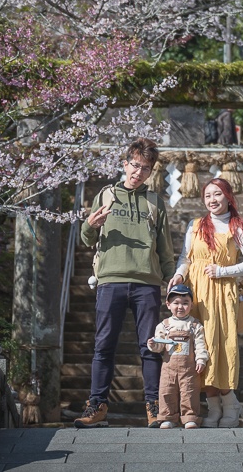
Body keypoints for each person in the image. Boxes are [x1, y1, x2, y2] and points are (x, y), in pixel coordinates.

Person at [74, 138, 176, 428]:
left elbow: (165, 249)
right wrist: (90, 226)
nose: (138, 172)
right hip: (111, 281)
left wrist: (172, 280)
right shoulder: (106, 195)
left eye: (145, 168)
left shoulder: (155, 202)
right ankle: (97, 405)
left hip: (146, 284)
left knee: (150, 346)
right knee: (103, 345)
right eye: (134, 165)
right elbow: (86, 239)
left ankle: (154, 407)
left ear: (151, 171)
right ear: (124, 164)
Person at [167, 177, 243, 427]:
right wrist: (179, 275)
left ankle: (230, 404)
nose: (212, 200)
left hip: (222, 292)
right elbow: (185, 258)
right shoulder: (195, 224)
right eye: (208, 195)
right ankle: (213, 406)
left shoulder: (236, 226)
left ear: (228, 196)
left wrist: (223, 271)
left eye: (217, 194)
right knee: (201, 346)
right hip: (196, 292)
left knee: (222, 345)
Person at [146, 283, 208, 429]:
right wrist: (153, 344)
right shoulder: (164, 325)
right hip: (169, 367)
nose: (180, 307)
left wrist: (201, 359)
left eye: (185, 303)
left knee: (190, 392)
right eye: (176, 303)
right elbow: (159, 346)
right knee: (167, 391)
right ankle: (168, 417)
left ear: (191, 305)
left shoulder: (195, 326)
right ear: (168, 305)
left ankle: (190, 417)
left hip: (189, 368)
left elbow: (200, 345)